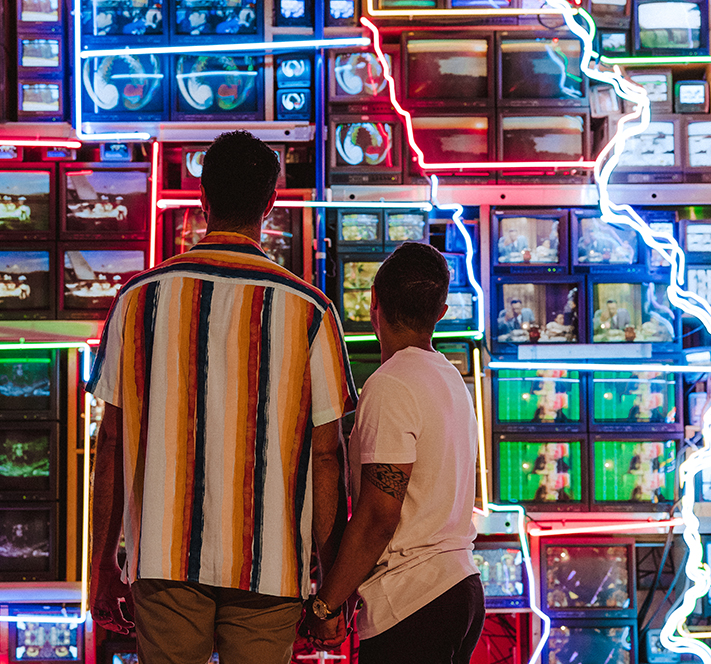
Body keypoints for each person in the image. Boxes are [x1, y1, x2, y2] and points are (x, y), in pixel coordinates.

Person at [88, 131, 356, 664]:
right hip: (271, 567)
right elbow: (327, 456)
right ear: (271, 204)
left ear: (202, 199)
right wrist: (331, 592)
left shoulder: (138, 299)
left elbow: (111, 443)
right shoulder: (312, 311)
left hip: (164, 563)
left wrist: (101, 566)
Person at [301, 242, 483, 664]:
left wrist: (326, 603)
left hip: (414, 600)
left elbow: (379, 516)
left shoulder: (390, 384)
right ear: (440, 313)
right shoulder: (450, 379)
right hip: (461, 586)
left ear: (373, 303)